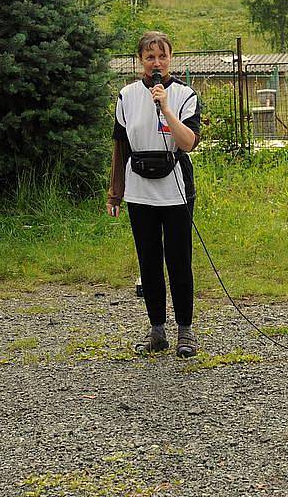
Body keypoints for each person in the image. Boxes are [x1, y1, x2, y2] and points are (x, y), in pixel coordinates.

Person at [106, 31, 201, 357]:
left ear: (170, 58)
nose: (156, 63)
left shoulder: (185, 94)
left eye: (161, 56)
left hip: (174, 192)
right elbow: (120, 147)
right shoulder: (127, 95)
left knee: (178, 261)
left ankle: (185, 331)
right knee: (148, 262)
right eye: (149, 57)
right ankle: (157, 329)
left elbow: (188, 142)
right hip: (139, 191)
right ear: (140, 61)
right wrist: (114, 193)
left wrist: (165, 108)